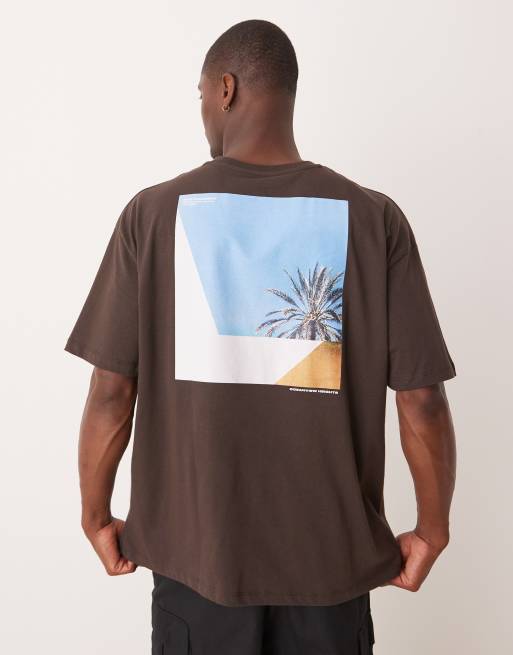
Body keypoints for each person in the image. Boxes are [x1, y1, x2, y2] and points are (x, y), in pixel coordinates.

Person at [65, 19, 457, 655]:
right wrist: (432, 528)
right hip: (330, 573)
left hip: (197, 570)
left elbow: (111, 392)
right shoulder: (374, 218)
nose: (202, 110)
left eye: (200, 95)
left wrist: (95, 513)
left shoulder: (152, 214)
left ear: (225, 89)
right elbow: (423, 401)